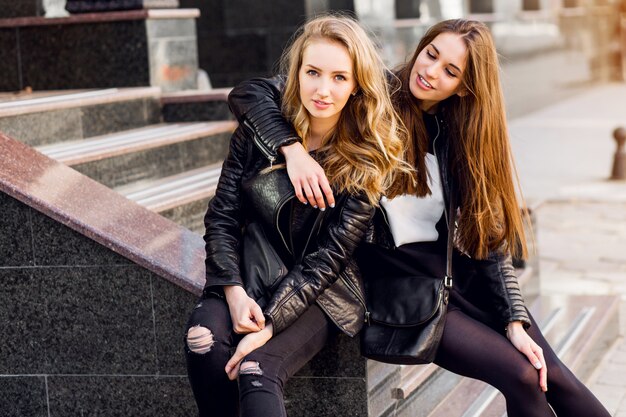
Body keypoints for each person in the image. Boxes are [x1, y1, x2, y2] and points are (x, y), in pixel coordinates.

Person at [227, 18, 611, 417]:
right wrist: (294, 151)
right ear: (420, 47)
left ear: (464, 87)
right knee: (524, 374)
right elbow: (250, 93)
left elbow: (489, 239)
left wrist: (514, 318)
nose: (430, 72)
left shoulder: (462, 132)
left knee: (552, 374)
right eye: (430, 55)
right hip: (404, 288)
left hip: (459, 277)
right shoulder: (370, 96)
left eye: (450, 71)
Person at [184, 15, 409, 417]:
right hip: (253, 271)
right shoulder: (261, 131)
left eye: (340, 77)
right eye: (313, 72)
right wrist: (233, 293)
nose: (323, 90)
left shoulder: (366, 160)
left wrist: (270, 322)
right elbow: (221, 219)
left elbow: (327, 261)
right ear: (296, 73)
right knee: (203, 341)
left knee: (255, 367)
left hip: (324, 291)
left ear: (357, 84)